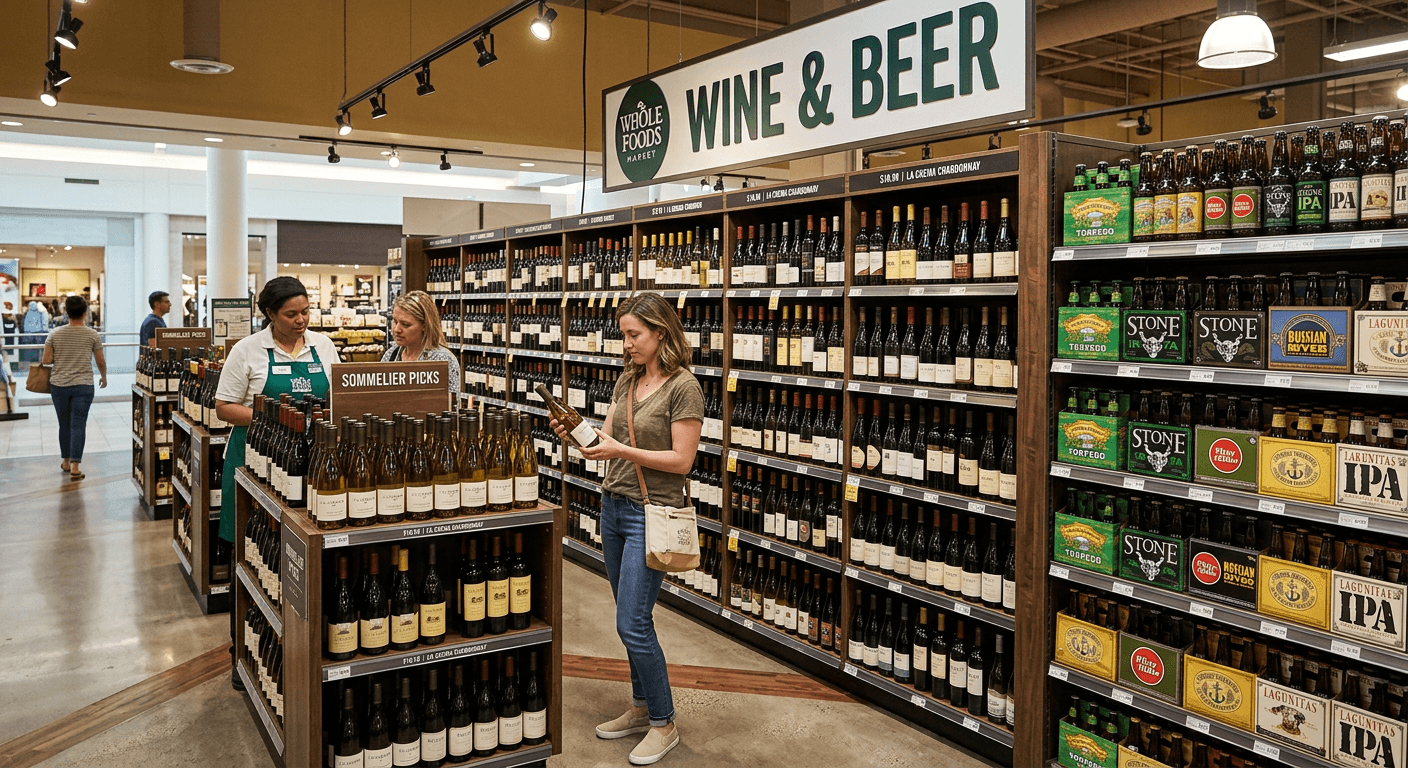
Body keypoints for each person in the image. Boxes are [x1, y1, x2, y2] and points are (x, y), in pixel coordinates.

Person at [550, 292, 702, 766]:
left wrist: (618, 451)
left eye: (634, 334)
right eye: (624, 334)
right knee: (629, 615)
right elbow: (605, 438)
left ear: (661, 333)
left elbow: (682, 460)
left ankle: (664, 722)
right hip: (612, 507)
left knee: (631, 622)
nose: (627, 343)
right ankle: (641, 707)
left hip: (649, 513)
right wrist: (576, 435)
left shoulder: (684, 388)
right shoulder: (626, 380)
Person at [214, 277, 338, 690]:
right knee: (251, 557)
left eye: (306, 312)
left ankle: (300, 654)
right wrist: (277, 419)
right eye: (291, 314)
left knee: (300, 561)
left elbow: (337, 398)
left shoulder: (323, 347)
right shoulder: (247, 350)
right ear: (269, 314)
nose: (301, 320)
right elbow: (225, 407)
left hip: (311, 465)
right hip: (255, 466)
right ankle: (242, 651)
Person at [42, 295, 107, 480]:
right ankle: (75, 467)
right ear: (85, 313)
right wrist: (104, 376)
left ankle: (65, 460)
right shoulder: (92, 334)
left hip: (59, 385)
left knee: (64, 425)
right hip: (84, 385)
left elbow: (46, 360)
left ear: (66, 312)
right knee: (79, 425)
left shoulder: (54, 334)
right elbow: (100, 360)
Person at [380, 290, 460, 395]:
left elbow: (451, 406)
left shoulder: (443, 360)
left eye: (405, 324)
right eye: (395, 322)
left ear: (424, 325)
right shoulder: (390, 355)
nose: (396, 329)